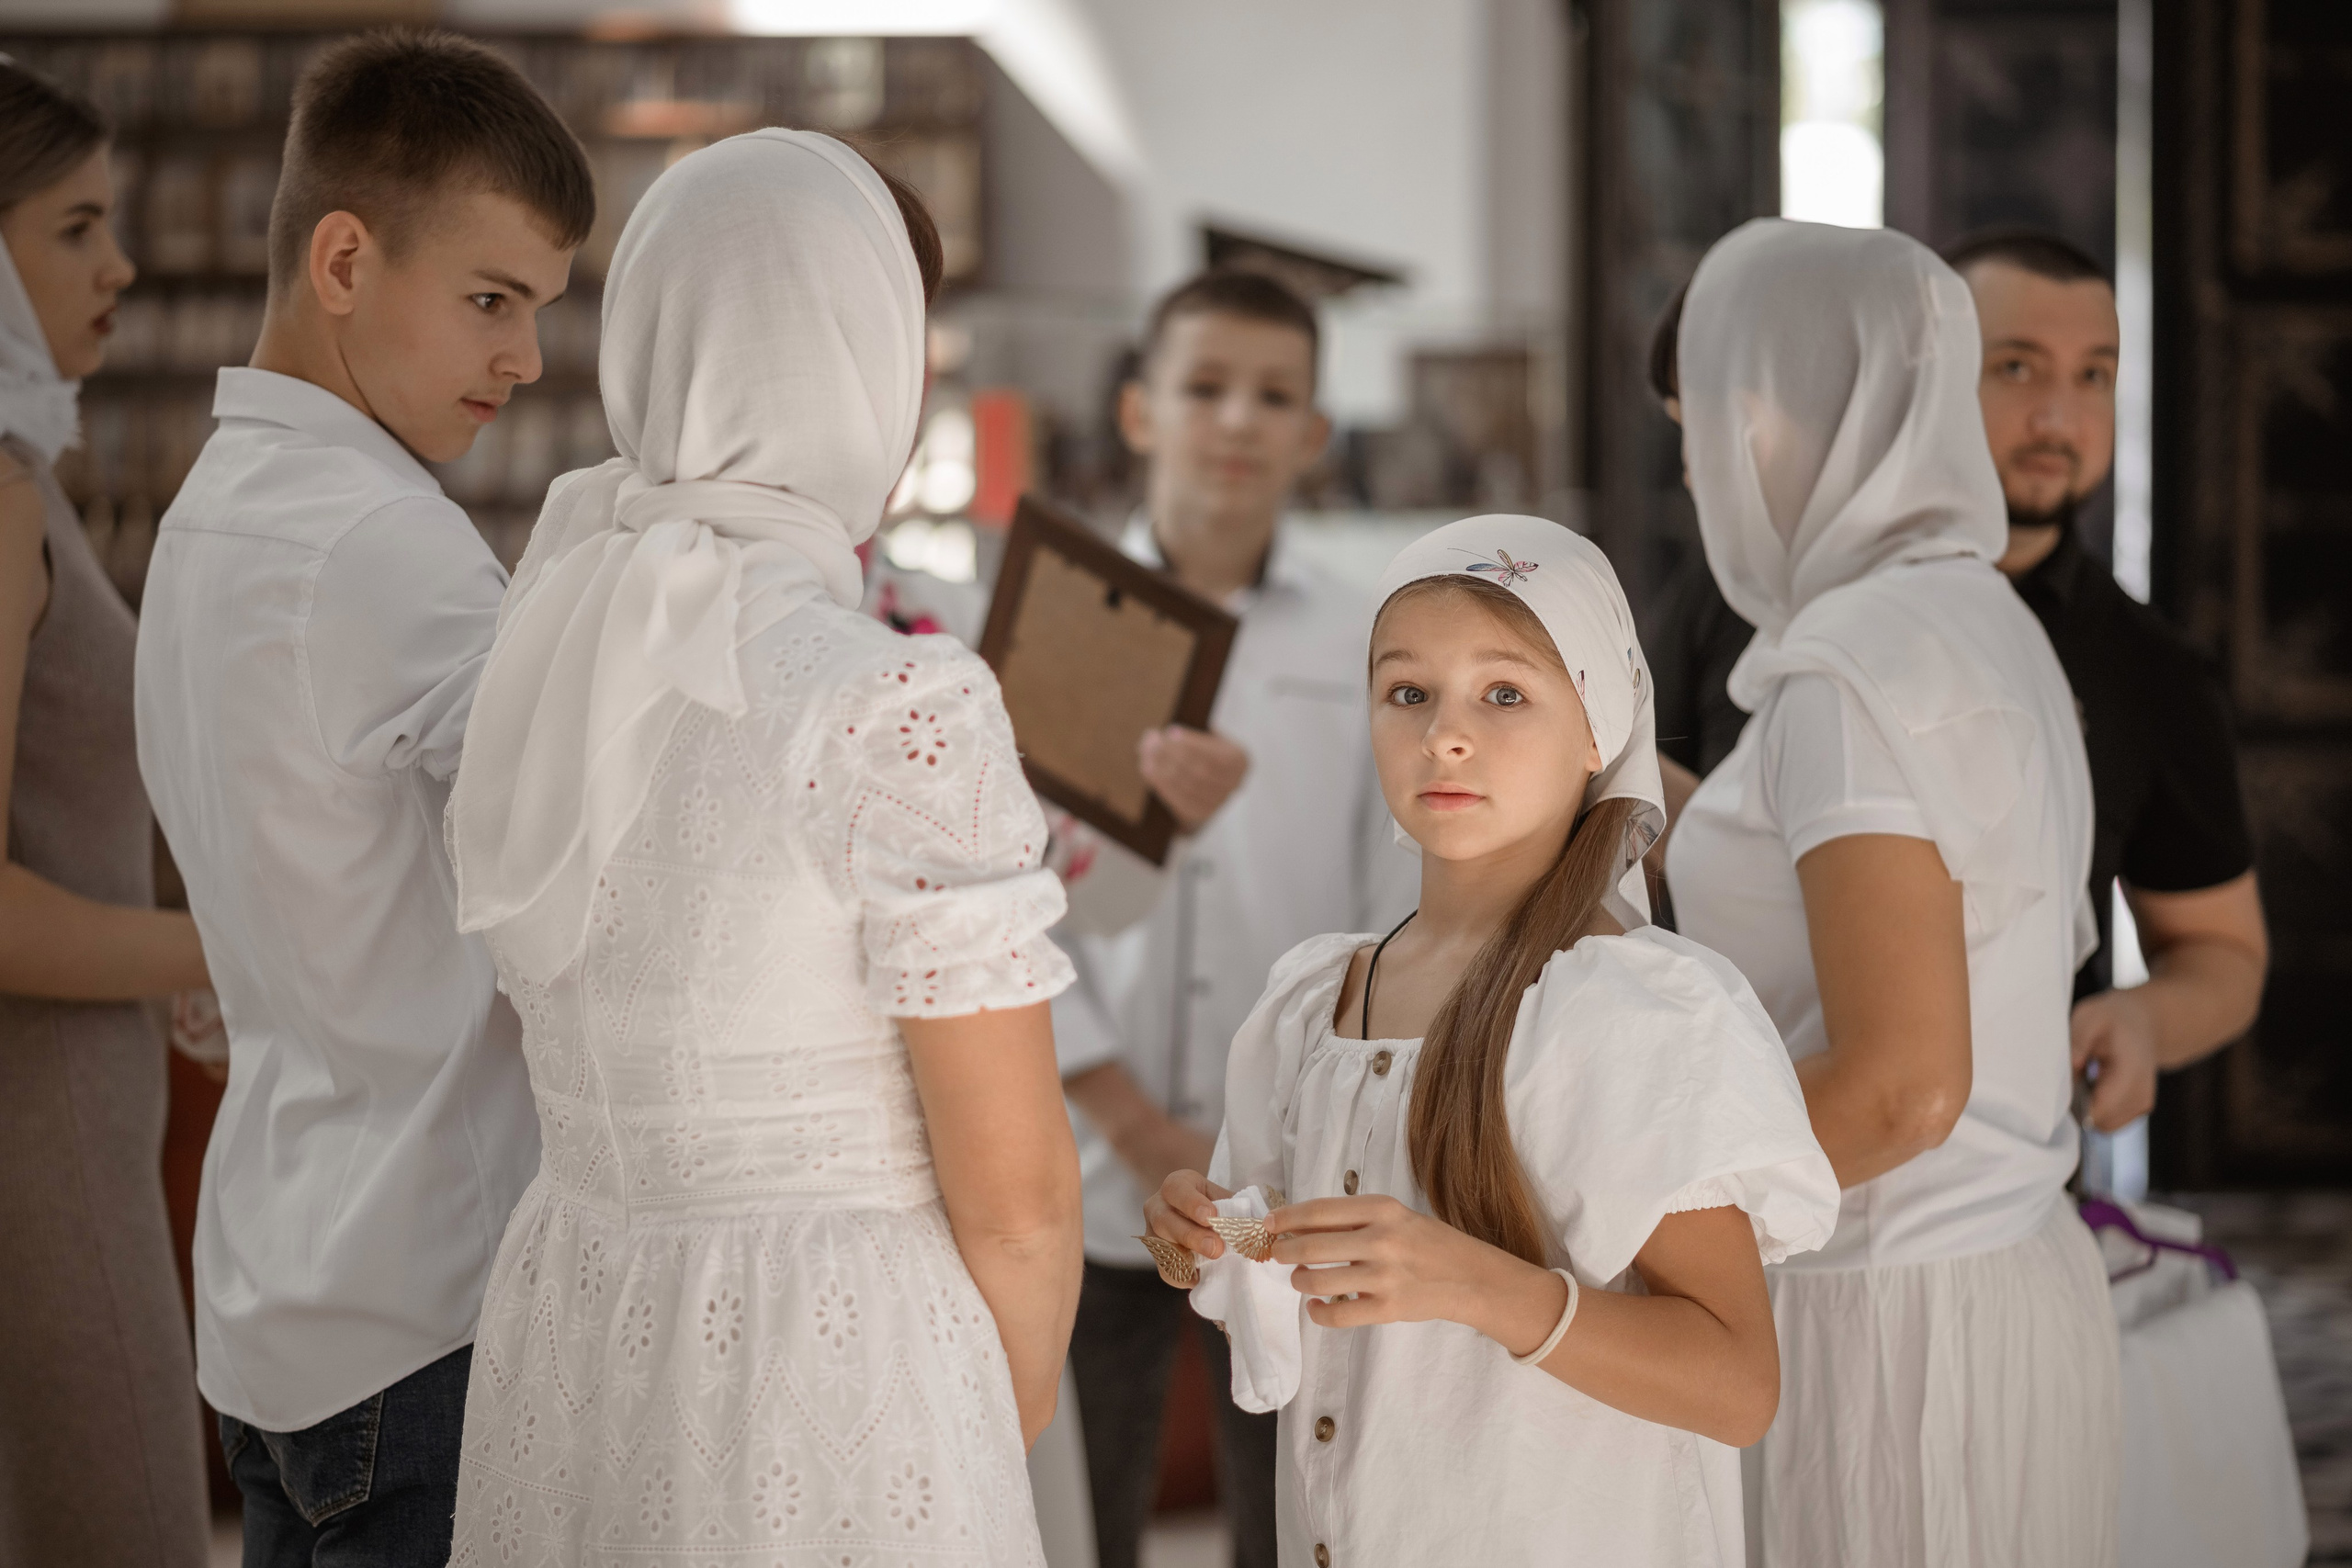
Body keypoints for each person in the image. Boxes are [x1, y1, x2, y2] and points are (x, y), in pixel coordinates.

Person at [442, 129, 1085, 1563]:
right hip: (835, 1354)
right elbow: (1026, 1203)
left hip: (583, 1314)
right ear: (870, 367)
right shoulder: (892, 695)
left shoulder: (549, 642)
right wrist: (979, 1445)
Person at [1145, 513, 1839, 1565]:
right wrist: (1202, 1237)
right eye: (1407, 692)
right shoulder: (1309, 1001)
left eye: (1504, 693)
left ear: (1598, 726)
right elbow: (1280, 1280)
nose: (1443, 735)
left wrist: (1472, 1283)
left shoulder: (1639, 1011)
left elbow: (1737, 1385)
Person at [132, 33, 593, 1567]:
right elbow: (592, 844)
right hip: (426, 1303)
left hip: (280, 1284)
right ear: (344, 256)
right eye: (491, 297)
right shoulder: (379, 537)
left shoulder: (212, 508)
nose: (524, 357)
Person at [1661, 219, 2120, 1567]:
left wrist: (1624, 1191)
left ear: (1763, 414)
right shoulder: (1971, 612)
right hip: (2003, 1277)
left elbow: (1898, 1089)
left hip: (1886, 1322)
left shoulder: (1848, 666)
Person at [1053, 269, 1417, 1568]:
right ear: (1141, 410)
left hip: (1292, 1156)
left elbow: (1387, 886)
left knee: (1295, 1508)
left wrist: (1309, 1102)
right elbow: (1010, 893)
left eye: (1275, 396)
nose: (1238, 421)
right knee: (1074, 1502)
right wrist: (1134, 1118)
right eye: (1205, 387)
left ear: (1315, 431)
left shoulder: (1364, 636)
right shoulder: (1065, 620)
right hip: (1089, 1158)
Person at [0, 56, 211, 1568]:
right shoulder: (0, 492)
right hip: (46, 1137)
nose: (120, 265)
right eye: (76, 227)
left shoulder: (32, 474)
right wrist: (222, 949)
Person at [1942, 228, 2267, 1144]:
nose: (2059, 418)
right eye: (2015, 368)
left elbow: (2222, 953)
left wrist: (2142, 1019)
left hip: (2014, 1180)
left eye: (2092, 376)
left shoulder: (2149, 667)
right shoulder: (1766, 606)